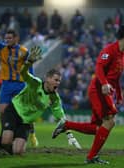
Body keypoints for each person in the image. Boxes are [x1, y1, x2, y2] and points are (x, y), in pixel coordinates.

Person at [0, 46, 80, 155]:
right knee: (6, 141)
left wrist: (69, 134)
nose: (58, 83)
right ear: (47, 79)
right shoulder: (35, 83)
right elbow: (23, 73)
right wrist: (29, 62)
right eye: (56, 80)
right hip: (14, 111)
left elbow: (61, 117)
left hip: (25, 122)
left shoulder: (54, 98)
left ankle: (2, 145)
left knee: (18, 151)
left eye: (59, 81)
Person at [52, 25, 124, 164]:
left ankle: (66, 125)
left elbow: (116, 77)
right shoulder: (110, 49)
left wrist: (119, 95)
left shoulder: (122, 55)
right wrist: (103, 84)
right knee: (110, 121)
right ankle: (91, 157)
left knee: (98, 128)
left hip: (107, 91)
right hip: (98, 89)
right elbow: (99, 67)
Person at [0, 12, 38, 149]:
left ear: (16, 38)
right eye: (6, 38)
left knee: (22, 112)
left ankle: (31, 132)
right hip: (7, 85)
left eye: (9, 38)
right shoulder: (2, 48)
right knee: (3, 112)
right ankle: (4, 139)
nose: (7, 40)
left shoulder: (24, 52)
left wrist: (31, 85)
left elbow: (29, 69)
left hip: (20, 85)